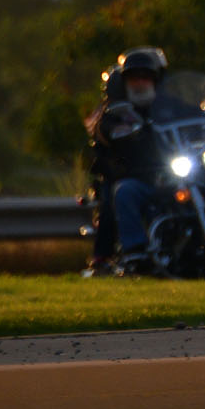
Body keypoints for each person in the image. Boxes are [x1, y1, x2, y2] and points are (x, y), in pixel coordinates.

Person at [86, 47, 191, 274]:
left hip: (170, 175)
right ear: (124, 82)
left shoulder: (169, 106)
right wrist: (116, 130)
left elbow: (195, 114)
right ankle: (135, 252)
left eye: (145, 77)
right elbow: (103, 129)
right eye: (134, 78)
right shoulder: (117, 111)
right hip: (135, 177)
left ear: (155, 79)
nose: (140, 83)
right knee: (124, 191)